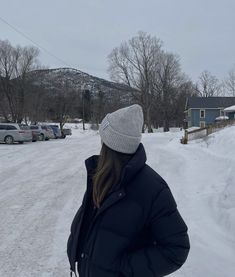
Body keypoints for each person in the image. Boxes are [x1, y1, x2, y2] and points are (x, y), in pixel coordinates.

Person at [67, 104, 190, 277]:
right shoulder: (100, 175)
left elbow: (177, 249)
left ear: (110, 144)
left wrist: (122, 268)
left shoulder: (153, 189)